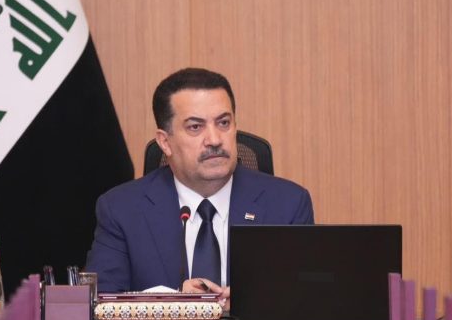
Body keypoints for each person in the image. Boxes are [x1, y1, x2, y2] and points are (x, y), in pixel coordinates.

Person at [85, 68, 314, 307]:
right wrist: (171, 302)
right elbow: (100, 305)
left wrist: (250, 304)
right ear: (165, 142)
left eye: (223, 123)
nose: (214, 140)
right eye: (195, 127)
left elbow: (307, 303)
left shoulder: (288, 205)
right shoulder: (121, 210)